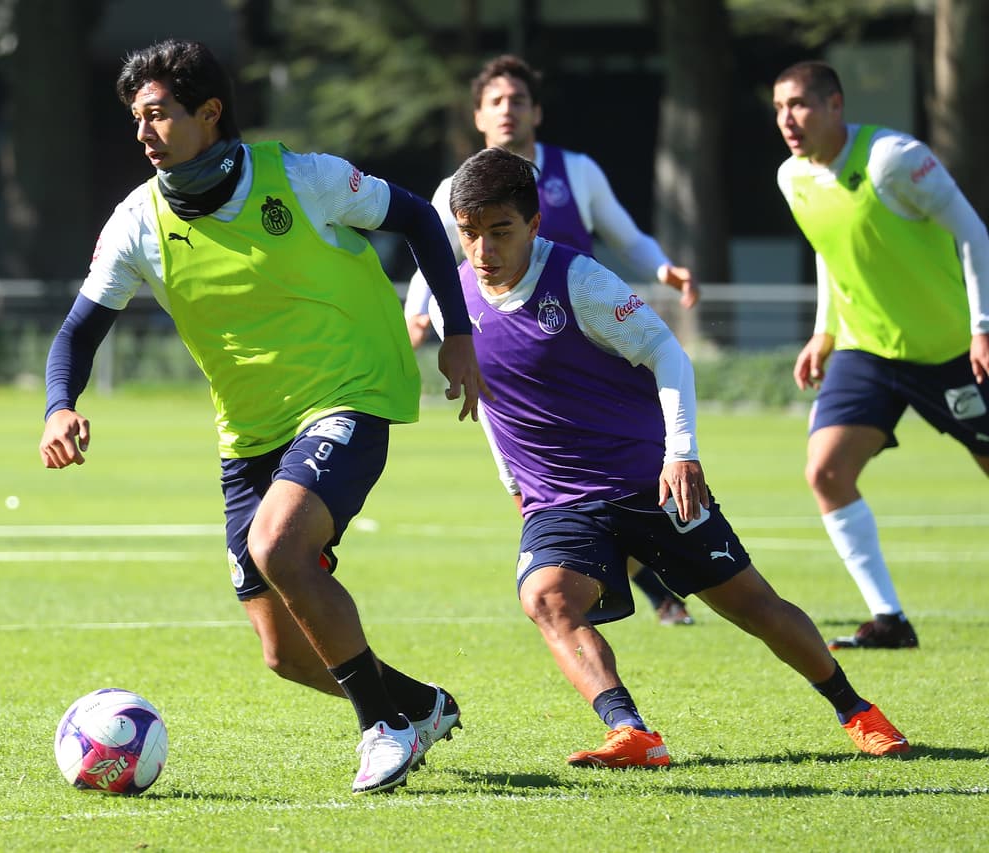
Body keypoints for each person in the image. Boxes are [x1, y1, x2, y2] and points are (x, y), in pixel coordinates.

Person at [38, 39, 489, 795]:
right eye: (136, 118)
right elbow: (79, 330)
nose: (143, 132)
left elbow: (416, 216)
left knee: (279, 545)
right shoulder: (137, 223)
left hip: (349, 393)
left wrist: (459, 336)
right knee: (283, 651)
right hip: (248, 434)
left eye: (158, 114)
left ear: (209, 113)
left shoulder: (303, 178)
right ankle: (419, 705)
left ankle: (384, 729)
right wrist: (60, 405)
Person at [428, 146, 910, 767]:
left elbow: (669, 356)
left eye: (500, 232)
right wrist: (510, 479)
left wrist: (681, 453)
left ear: (534, 225)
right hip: (558, 497)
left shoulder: (580, 281)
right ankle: (631, 732)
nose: (484, 251)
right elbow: (488, 397)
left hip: (650, 482)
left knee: (752, 606)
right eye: (470, 235)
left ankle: (856, 709)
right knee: (547, 599)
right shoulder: (456, 296)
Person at [406, 53, 697, 627]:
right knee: (551, 489)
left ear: (537, 111)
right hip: (515, 356)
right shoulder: (457, 188)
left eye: (518, 100)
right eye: (496, 102)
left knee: (613, 473)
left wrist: (663, 268)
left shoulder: (576, 171)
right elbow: (431, 258)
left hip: (587, 351)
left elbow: (625, 234)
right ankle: (647, 588)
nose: (507, 110)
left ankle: (670, 576)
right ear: (478, 116)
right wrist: (418, 312)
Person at [772, 60, 989, 649]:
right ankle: (889, 620)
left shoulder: (894, 159)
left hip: (950, 352)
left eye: (799, 105)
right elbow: (830, 247)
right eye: (778, 108)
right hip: (868, 349)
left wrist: (982, 327)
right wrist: (824, 330)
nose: (787, 119)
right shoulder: (793, 177)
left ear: (836, 105)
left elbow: (974, 232)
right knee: (826, 471)